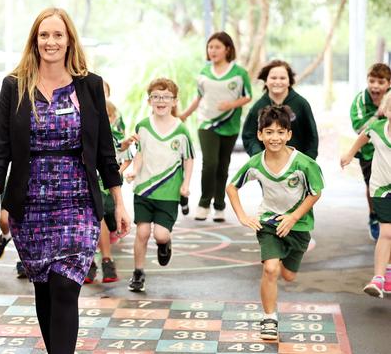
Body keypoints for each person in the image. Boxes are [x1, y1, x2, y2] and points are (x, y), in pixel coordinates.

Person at [0, 7, 131, 354]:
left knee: (66, 286)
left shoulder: (90, 86)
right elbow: (0, 148)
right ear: (35, 41)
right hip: (29, 202)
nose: (51, 41)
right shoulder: (13, 86)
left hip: (77, 199)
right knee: (45, 289)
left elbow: (106, 152)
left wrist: (118, 202)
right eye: (44, 35)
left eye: (58, 35)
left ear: (69, 41)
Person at [226, 105, 323, 341]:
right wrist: (242, 215)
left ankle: (287, 256)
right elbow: (232, 186)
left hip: (297, 226)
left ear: (289, 135)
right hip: (268, 222)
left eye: (280, 132)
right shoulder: (256, 163)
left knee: (288, 275)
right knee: (270, 269)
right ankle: (269, 318)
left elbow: (315, 193)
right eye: (268, 132)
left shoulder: (304, 164)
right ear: (260, 135)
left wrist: (293, 217)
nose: (274, 137)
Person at [125, 78, 194, 292]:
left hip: (169, 192)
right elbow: (140, 154)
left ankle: (165, 244)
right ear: (149, 100)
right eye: (156, 96)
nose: (161, 101)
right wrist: (134, 171)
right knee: (142, 233)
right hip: (144, 190)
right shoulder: (143, 126)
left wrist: (186, 184)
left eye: (166, 97)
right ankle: (138, 272)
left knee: (160, 235)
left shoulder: (181, 130)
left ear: (174, 101)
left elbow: (188, 159)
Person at [180, 31, 252, 222]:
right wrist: (185, 115)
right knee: (210, 163)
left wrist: (231, 105)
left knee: (222, 166)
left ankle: (219, 206)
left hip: (230, 124)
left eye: (217, 47)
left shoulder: (239, 73)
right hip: (207, 123)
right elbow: (199, 96)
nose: (213, 50)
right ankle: (204, 204)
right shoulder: (204, 73)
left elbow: (248, 96)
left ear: (227, 49)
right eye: (210, 47)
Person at [341, 92, 391, 298]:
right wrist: (349, 154)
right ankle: (378, 279)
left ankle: (388, 272)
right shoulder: (377, 129)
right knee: (387, 233)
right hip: (381, 189)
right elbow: (363, 137)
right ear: (386, 111)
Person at [85, 84, 134, 284]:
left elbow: (123, 152)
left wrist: (117, 174)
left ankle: (105, 260)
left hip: (102, 186)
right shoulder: (82, 127)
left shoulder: (112, 135)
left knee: (100, 220)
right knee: (90, 224)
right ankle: (92, 262)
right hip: (83, 182)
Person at [242, 59, 319, 159]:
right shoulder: (258, 107)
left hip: (296, 164)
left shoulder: (301, 104)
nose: (278, 82)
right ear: (266, 81)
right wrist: (258, 157)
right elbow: (249, 136)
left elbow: (311, 136)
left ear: (289, 81)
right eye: (273, 78)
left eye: (282, 78)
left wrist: (308, 161)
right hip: (267, 164)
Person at [348, 63, 391, 241]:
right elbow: (360, 130)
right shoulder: (360, 101)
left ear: (388, 84)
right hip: (368, 152)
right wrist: (378, 115)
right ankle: (375, 215)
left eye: (380, 82)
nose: (375, 86)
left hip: (388, 147)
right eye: (371, 81)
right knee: (373, 186)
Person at [0, 122, 26, 278]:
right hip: (10, 179)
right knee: (4, 221)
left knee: (25, 224)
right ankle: (6, 236)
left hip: (32, 178)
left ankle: (22, 260)